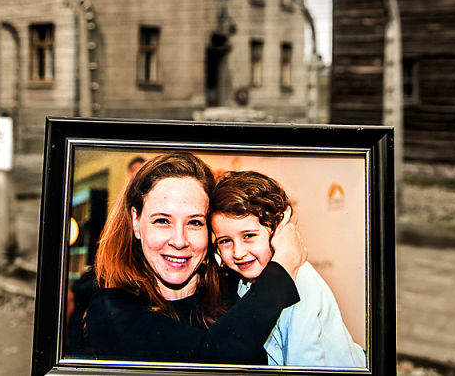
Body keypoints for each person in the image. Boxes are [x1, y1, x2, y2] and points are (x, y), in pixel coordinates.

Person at [84, 152, 307, 364]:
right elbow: (209, 362)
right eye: (162, 221)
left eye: (195, 222)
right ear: (136, 222)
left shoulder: (240, 288)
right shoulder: (111, 310)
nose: (179, 241)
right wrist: (283, 265)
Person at [209, 170, 367, 368]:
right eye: (225, 241)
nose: (238, 252)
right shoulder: (242, 282)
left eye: (249, 236)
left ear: (279, 229)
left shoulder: (299, 280)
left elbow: (306, 362)